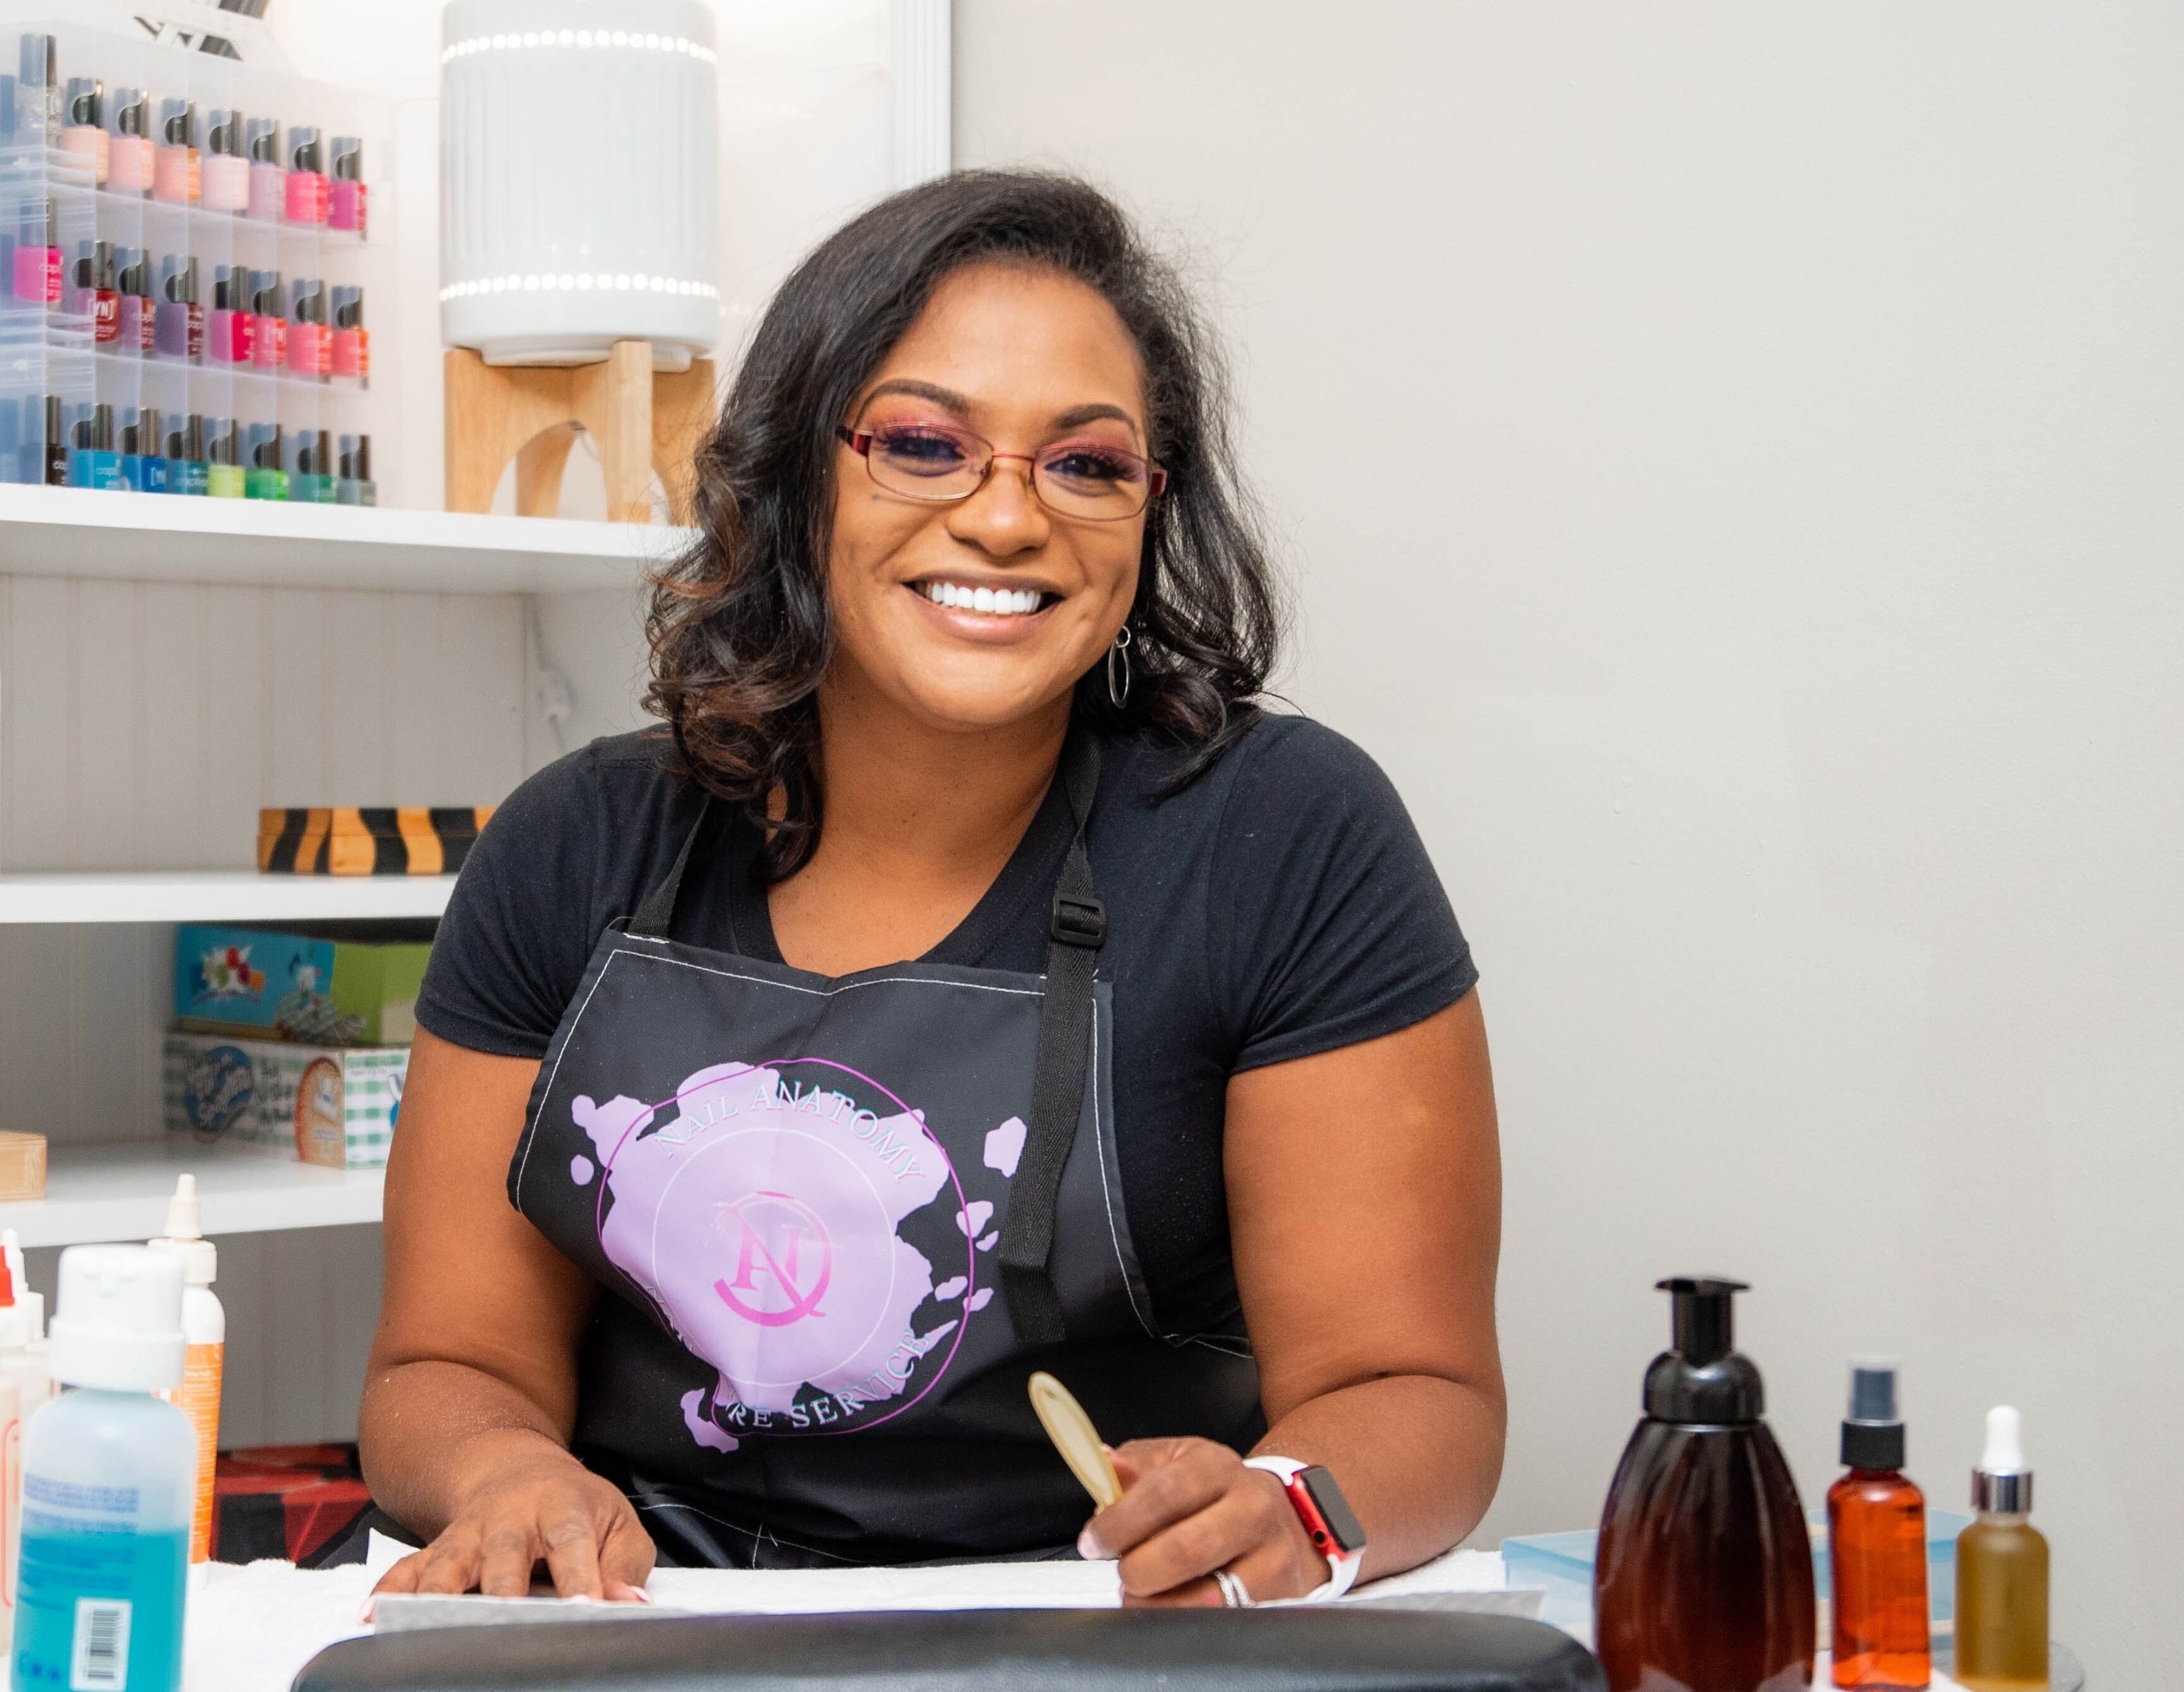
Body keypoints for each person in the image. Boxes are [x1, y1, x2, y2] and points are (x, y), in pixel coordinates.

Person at [359, 169, 1503, 1606]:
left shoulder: (1281, 836)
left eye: (1086, 464)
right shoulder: (576, 844)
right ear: (795, 476)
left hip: (1099, 1623)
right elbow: (444, 1365)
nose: (1010, 520)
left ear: (1149, 512)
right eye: (923, 444)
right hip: (649, 1613)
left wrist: (1292, 1512)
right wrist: (504, 1477)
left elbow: (1416, 1390)